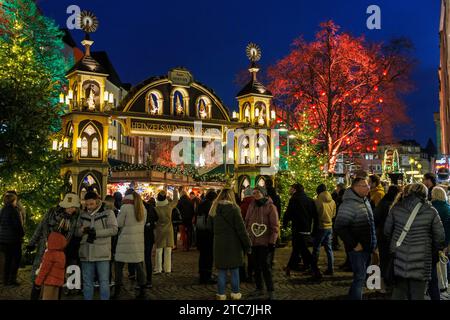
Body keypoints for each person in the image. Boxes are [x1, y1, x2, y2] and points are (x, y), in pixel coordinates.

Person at [385, 183, 445, 300]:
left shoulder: (396, 208)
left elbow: (387, 231)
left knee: (399, 293)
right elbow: (440, 237)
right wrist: (433, 250)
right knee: (418, 294)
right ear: (425, 194)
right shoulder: (431, 211)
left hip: (399, 258)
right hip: (421, 260)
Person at [27, 193, 81, 300]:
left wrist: (82, 231)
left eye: (74, 207)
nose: (72, 209)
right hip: (45, 250)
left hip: (60, 253)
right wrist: (32, 243)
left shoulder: (74, 218)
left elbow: (74, 233)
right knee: (39, 276)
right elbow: (41, 227)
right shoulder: (52, 212)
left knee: (57, 278)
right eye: (70, 206)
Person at [335, 177, 377, 300]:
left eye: (368, 185)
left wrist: (373, 243)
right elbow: (340, 227)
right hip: (357, 249)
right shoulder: (349, 204)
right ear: (356, 187)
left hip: (367, 246)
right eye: (365, 185)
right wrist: (354, 244)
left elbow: (370, 224)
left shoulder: (365, 201)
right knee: (359, 277)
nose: (368, 188)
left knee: (361, 277)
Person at [208, 188, 251, 300]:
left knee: (221, 271)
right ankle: (235, 293)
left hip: (219, 244)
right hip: (233, 244)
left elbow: (209, 227)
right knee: (234, 271)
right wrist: (247, 244)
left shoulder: (213, 209)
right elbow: (241, 229)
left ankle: (221, 294)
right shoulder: (234, 209)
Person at [76, 191, 118, 300]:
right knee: (87, 282)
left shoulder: (108, 213)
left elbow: (114, 230)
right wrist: (82, 230)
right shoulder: (82, 214)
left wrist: (97, 233)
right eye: (87, 204)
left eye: (91, 204)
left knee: (104, 281)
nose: (89, 207)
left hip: (102, 253)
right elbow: (76, 233)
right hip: (86, 253)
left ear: (97, 202)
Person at [245, 186, 279, 300]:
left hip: (265, 242)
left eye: (257, 192)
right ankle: (259, 288)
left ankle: (270, 290)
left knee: (265, 267)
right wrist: (247, 236)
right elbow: (247, 220)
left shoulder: (271, 207)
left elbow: (274, 226)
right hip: (253, 241)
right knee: (255, 266)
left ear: (263, 193)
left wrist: (272, 242)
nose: (255, 194)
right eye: (254, 193)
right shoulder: (252, 205)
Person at [114, 191, 147, 299]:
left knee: (118, 266)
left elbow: (118, 223)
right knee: (139, 266)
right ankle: (143, 289)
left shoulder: (125, 207)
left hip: (124, 241)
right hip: (138, 242)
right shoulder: (142, 208)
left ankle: (117, 290)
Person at [283, 183, 318, 276]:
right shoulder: (310, 200)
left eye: (291, 188)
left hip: (297, 228)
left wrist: (285, 224)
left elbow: (288, 213)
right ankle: (291, 266)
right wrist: (314, 229)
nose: (289, 190)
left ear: (294, 189)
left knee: (302, 249)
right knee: (298, 249)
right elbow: (315, 216)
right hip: (306, 228)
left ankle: (314, 269)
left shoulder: (294, 199)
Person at [373, 185, 401, 290]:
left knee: (384, 259)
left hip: (383, 235)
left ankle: (384, 283)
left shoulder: (382, 203)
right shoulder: (396, 205)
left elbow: (375, 218)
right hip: (392, 236)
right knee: (391, 259)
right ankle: (389, 281)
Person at [311, 184, 336, 280]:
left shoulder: (317, 201)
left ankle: (314, 268)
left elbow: (315, 214)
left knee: (316, 248)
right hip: (329, 226)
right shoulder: (332, 201)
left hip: (321, 227)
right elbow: (333, 214)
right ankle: (331, 268)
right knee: (329, 248)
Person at [0, 193, 24, 286]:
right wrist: (22, 234)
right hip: (13, 240)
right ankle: (12, 280)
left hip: (3, 240)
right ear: (13, 201)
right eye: (15, 200)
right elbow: (17, 225)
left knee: (7, 260)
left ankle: (5, 280)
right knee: (16, 259)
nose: (16, 202)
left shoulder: (2, 210)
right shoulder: (14, 211)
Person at [34, 231, 67, 300]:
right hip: (58, 283)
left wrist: (38, 282)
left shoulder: (49, 254)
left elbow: (44, 269)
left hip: (49, 282)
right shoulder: (62, 254)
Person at [430, 186, 450, 298]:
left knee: (436, 265)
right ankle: (444, 284)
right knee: (443, 261)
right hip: (445, 240)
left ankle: (438, 284)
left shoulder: (431, 207)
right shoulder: (448, 207)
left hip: (433, 240)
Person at [154, 187, 179, 274]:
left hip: (160, 230)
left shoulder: (156, 208)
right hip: (169, 230)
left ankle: (158, 268)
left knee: (159, 250)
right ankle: (167, 268)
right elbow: (175, 200)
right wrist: (175, 191)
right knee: (168, 249)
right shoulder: (169, 206)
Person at [196, 189, 217, 284]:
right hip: (208, 234)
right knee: (208, 256)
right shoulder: (210, 206)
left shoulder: (201, 204)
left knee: (203, 255)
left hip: (200, 233)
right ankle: (207, 276)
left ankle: (202, 274)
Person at [239, 187, 255, 282]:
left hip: (244, 232)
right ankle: (251, 274)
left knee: (242, 255)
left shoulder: (242, 205)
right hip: (254, 232)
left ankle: (242, 275)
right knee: (251, 255)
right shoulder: (256, 204)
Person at [143, 197, 158, 288]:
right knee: (147, 258)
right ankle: (149, 280)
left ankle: (141, 280)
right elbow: (157, 218)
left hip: (142, 236)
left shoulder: (139, 208)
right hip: (149, 236)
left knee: (140, 259)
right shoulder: (151, 208)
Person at [331, 183, 345, 252]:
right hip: (339, 216)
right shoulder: (336, 195)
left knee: (336, 232)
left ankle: (335, 244)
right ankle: (335, 244)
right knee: (336, 232)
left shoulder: (338, 195)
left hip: (337, 216)